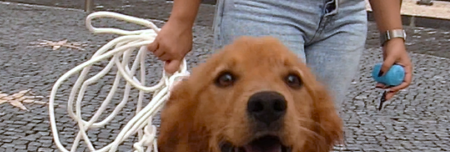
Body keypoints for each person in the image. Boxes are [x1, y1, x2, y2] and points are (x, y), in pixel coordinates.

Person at [148, 0, 412, 106]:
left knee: (306, 140)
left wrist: (393, 34)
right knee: (249, 128)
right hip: (264, 7)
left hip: (344, 17)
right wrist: (181, 20)